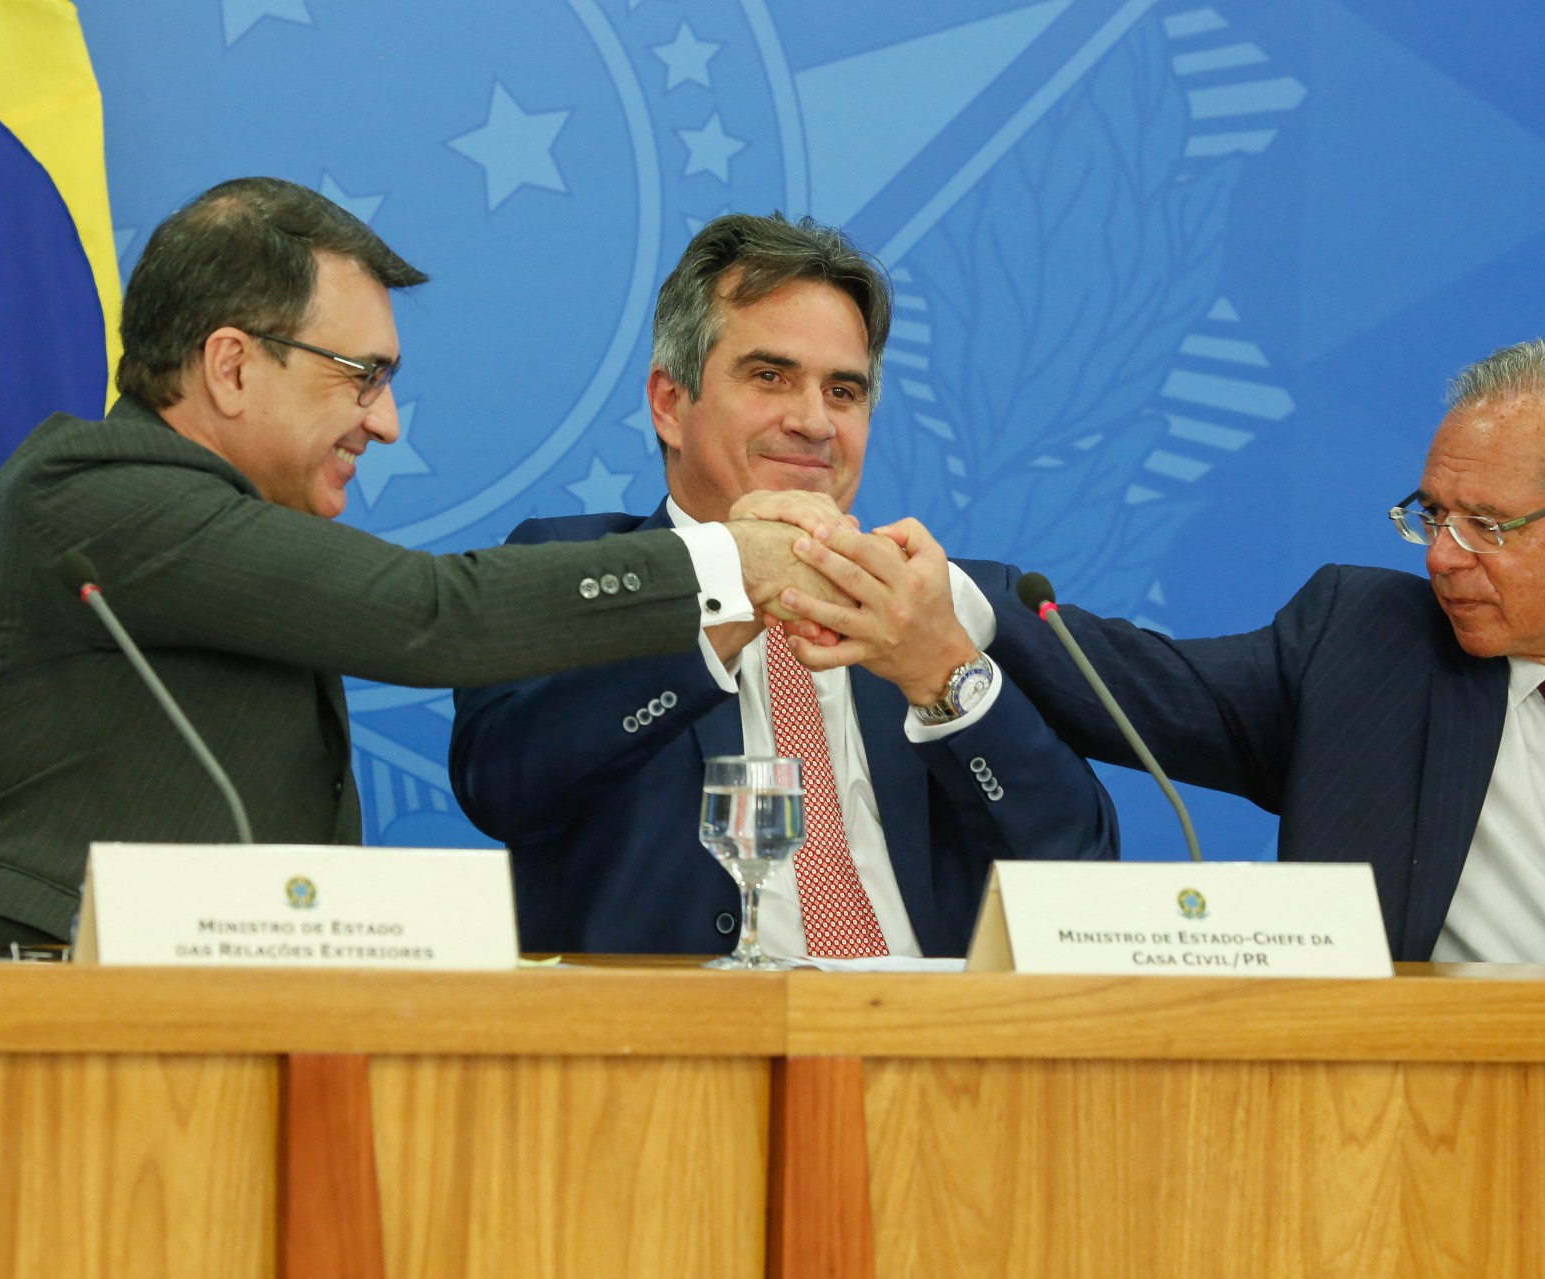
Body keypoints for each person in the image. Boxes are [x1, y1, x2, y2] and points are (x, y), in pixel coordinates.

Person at [0, 178, 833, 950]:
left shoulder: (232, 531)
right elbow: (432, 615)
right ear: (233, 365)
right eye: (362, 375)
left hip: (162, 1033)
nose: (385, 420)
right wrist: (721, 563)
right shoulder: (96, 492)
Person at [784, 339, 1545, 964]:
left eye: (1487, 525)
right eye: (1431, 515)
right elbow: (1125, 680)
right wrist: (936, 592)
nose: (1441, 556)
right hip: (1431, 1133)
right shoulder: (1368, 647)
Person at [448, 213, 1117, 959]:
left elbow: (1077, 877)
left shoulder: (936, 602)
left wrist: (941, 672)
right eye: (770, 376)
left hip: (923, 1043)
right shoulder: (570, 564)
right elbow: (503, 788)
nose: (814, 421)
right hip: (680, 1049)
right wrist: (726, 595)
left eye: (843, 391)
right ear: (670, 403)